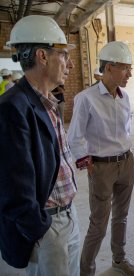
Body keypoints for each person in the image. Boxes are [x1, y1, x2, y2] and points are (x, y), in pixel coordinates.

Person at [0, 15, 80, 275]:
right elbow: (12, 189)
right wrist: (40, 229)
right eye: (64, 54)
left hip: (68, 214)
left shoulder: (49, 101)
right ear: (42, 56)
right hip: (48, 226)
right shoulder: (12, 108)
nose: (70, 63)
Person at [67, 41, 134, 276]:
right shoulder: (86, 98)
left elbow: (126, 130)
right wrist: (85, 162)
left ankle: (119, 259)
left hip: (126, 163)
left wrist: (125, 154)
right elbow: (74, 137)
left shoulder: (125, 96)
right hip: (101, 167)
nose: (129, 74)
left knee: (122, 216)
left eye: (131, 68)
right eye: (125, 68)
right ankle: (86, 270)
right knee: (98, 224)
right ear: (109, 68)